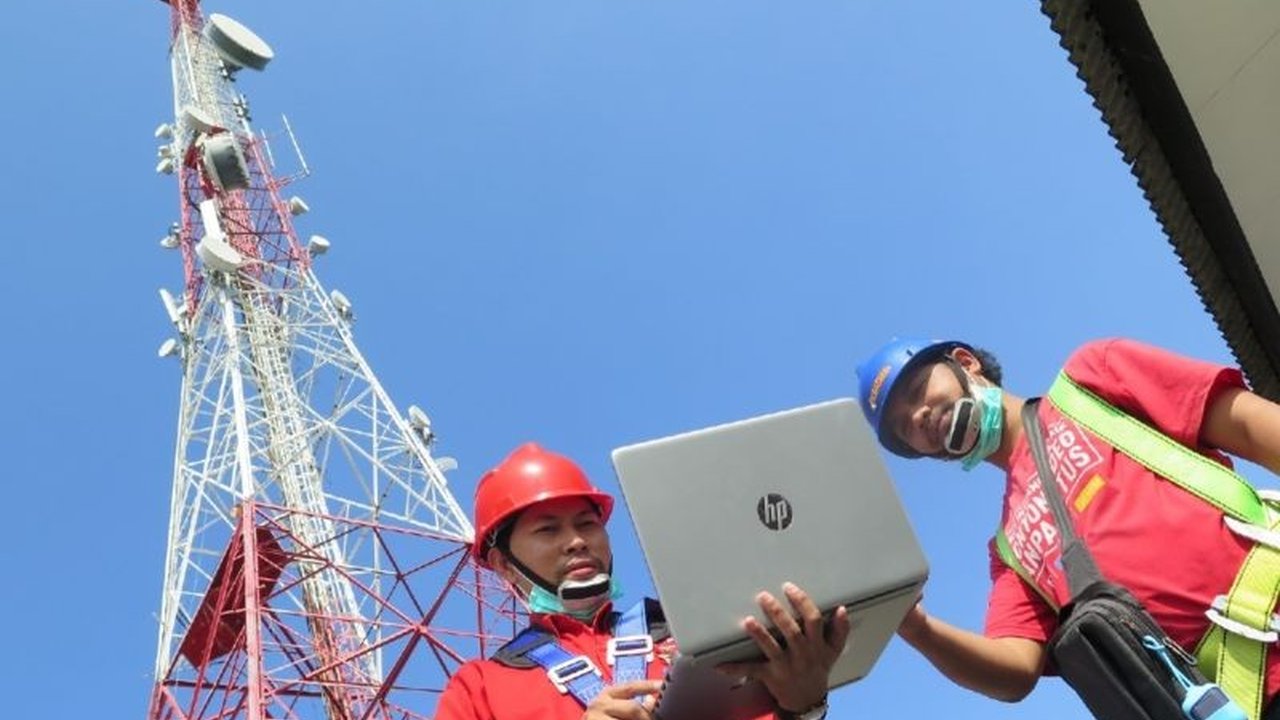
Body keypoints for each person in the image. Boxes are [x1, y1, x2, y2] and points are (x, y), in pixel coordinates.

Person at [855, 336, 1280, 717]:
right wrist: (916, 628)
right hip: (1233, 705)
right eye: (903, 427)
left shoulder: (1093, 377)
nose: (919, 416)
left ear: (966, 362)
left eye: (916, 391)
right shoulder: (1008, 550)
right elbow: (1014, 671)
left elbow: (1247, 426)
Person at [435, 442, 850, 720]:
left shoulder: (696, 625)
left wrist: (804, 707)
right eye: (548, 530)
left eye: (587, 523)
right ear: (503, 565)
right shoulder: (479, 689)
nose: (577, 541)